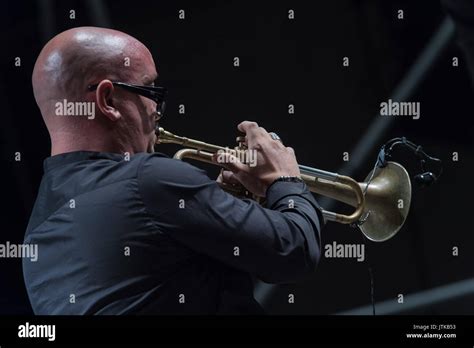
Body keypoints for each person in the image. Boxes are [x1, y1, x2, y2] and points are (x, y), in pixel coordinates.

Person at [23, 26, 323, 314]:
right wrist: (285, 179)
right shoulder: (148, 179)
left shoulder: (37, 237)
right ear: (108, 100)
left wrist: (219, 203)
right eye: (151, 91)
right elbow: (295, 251)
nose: (157, 110)